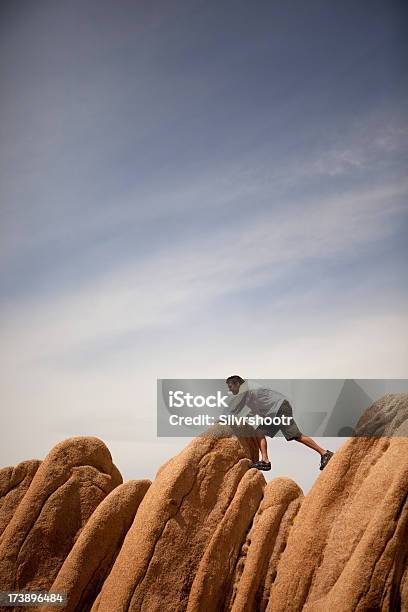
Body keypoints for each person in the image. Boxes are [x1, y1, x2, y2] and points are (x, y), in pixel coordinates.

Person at [225, 375, 334, 471]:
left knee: (296, 435)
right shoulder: (249, 391)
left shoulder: (246, 387)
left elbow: (239, 407)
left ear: (237, 383)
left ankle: (324, 453)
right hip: (274, 411)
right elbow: (253, 410)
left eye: (230, 386)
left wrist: (226, 418)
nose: (230, 390)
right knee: (259, 431)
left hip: (279, 408)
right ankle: (265, 461)